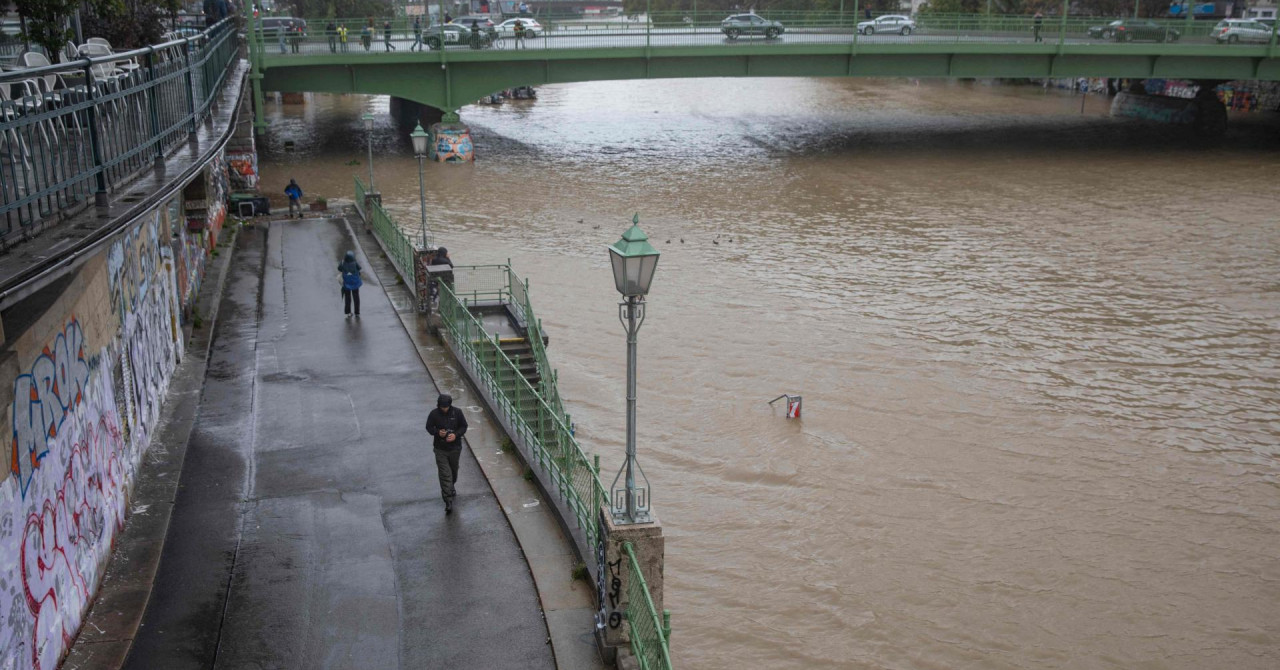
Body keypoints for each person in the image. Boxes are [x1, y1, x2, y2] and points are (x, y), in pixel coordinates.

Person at [425, 393, 468, 513]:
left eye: (446, 407)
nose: (444, 409)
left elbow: (464, 426)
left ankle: (451, 486)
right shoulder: (434, 414)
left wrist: (455, 435)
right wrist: (438, 432)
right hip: (440, 449)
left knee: (453, 472)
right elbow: (428, 427)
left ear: (450, 405)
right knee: (445, 474)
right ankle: (447, 500)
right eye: (442, 407)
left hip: (455, 448)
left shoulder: (457, 413)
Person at [338, 250, 362, 316]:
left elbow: (339, 268)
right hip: (355, 283)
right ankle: (357, 312)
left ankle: (348, 312)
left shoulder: (343, 262)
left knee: (347, 298)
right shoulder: (355, 262)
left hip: (346, 283)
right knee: (356, 297)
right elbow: (359, 268)